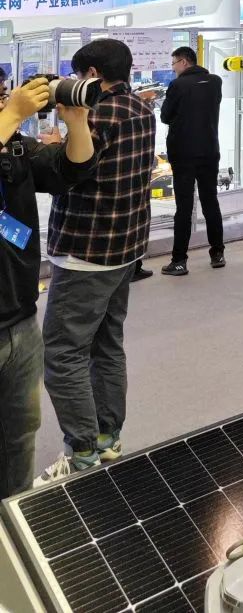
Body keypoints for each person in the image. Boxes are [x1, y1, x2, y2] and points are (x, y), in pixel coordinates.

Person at [37, 38, 156, 484]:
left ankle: (82, 451)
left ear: (91, 75)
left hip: (85, 250)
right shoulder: (140, 108)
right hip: (125, 247)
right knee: (107, 344)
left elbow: (66, 174)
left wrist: (58, 142)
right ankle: (108, 437)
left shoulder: (97, 115)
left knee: (63, 352)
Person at [0, 78, 96, 498]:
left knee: (19, 434)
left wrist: (77, 122)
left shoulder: (15, 147)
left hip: (20, 322)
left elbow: (71, 170)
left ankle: (13, 518)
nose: (5, 99)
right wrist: (11, 114)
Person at [159, 46, 224, 277]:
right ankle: (217, 253)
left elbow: (165, 116)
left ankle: (179, 261)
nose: (173, 68)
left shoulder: (178, 85)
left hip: (184, 153)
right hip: (209, 151)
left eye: (174, 63)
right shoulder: (215, 82)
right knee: (210, 202)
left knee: (184, 208)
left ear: (184, 62)